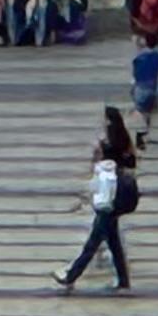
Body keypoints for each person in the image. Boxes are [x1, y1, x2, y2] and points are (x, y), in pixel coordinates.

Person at [56, 112, 139, 293]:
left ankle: (70, 276)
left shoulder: (108, 147)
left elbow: (97, 169)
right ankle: (123, 281)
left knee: (92, 244)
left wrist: (99, 149)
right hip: (112, 201)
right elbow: (131, 162)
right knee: (113, 243)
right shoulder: (123, 144)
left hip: (107, 202)